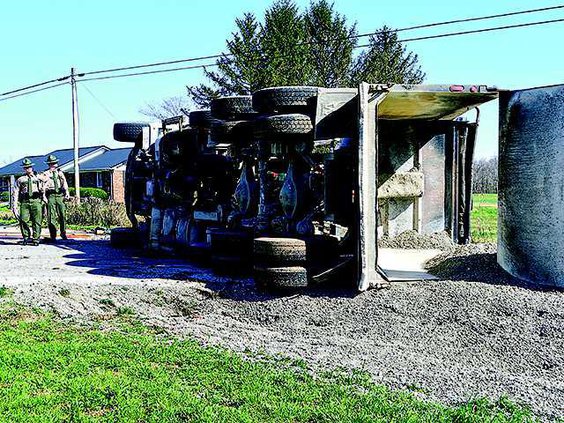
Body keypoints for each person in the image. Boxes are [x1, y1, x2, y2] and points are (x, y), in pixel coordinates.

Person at [12, 158, 44, 246]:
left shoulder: (38, 177)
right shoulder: (21, 179)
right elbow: (15, 192)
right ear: (24, 169)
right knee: (23, 219)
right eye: (26, 167)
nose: (28, 169)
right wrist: (14, 206)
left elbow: (47, 183)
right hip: (25, 201)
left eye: (29, 167)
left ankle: (36, 239)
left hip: (36, 200)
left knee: (37, 220)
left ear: (32, 167)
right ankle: (26, 237)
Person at [40, 154, 70, 241]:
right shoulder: (45, 174)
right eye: (51, 164)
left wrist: (67, 192)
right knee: (51, 216)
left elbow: (64, 183)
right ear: (48, 165)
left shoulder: (60, 173)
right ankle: (53, 235)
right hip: (51, 196)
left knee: (63, 215)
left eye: (54, 163)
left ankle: (63, 233)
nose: (53, 165)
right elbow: (43, 187)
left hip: (60, 195)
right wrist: (44, 196)